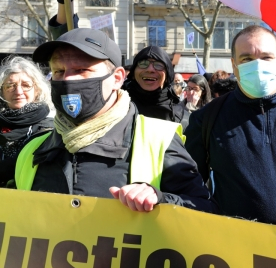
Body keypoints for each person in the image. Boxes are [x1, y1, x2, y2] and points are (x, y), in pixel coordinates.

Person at [14, 28, 217, 213]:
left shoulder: (159, 140)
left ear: (117, 78)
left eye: (81, 70)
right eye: (59, 71)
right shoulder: (32, 150)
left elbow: (204, 208)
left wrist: (161, 199)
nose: (67, 80)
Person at [185, 25, 276, 223]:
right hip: (234, 245)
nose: (258, 66)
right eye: (247, 59)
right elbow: (189, 186)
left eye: (266, 57)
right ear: (234, 65)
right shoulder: (207, 117)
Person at [0, 57, 54, 187]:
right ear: (1, 91)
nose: (18, 92)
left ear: (37, 90)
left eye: (26, 85)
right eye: (10, 86)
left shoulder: (51, 129)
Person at [123, 46, 190, 130]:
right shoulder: (115, 105)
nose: (150, 69)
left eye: (159, 65)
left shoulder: (182, 116)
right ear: (133, 73)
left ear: (167, 76)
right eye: (143, 63)